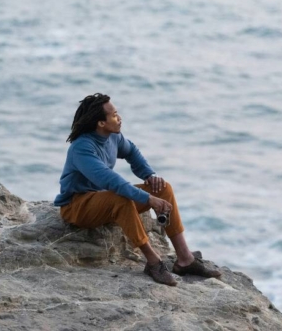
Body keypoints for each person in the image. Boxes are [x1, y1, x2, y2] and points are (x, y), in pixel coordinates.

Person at [55, 93, 223, 286]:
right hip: (77, 207)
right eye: (114, 114)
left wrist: (149, 176)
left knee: (163, 188)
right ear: (101, 123)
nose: (119, 118)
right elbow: (111, 181)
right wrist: (148, 199)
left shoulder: (112, 137)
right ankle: (153, 262)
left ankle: (185, 259)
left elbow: (131, 151)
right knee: (120, 197)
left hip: (101, 200)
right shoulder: (81, 148)